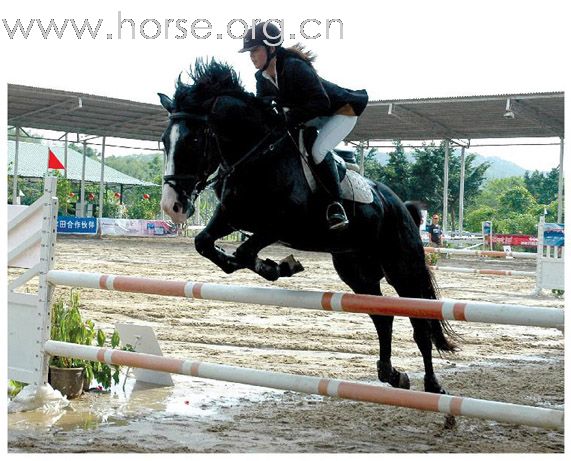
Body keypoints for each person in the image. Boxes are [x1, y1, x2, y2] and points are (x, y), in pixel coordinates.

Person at [239, 21, 368, 231]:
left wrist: (288, 117)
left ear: (271, 49)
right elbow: (264, 110)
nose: (251, 56)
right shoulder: (261, 77)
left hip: (340, 111)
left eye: (255, 50)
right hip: (311, 115)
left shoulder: (294, 66)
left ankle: (335, 205)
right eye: (249, 52)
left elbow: (321, 102)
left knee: (317, 151)